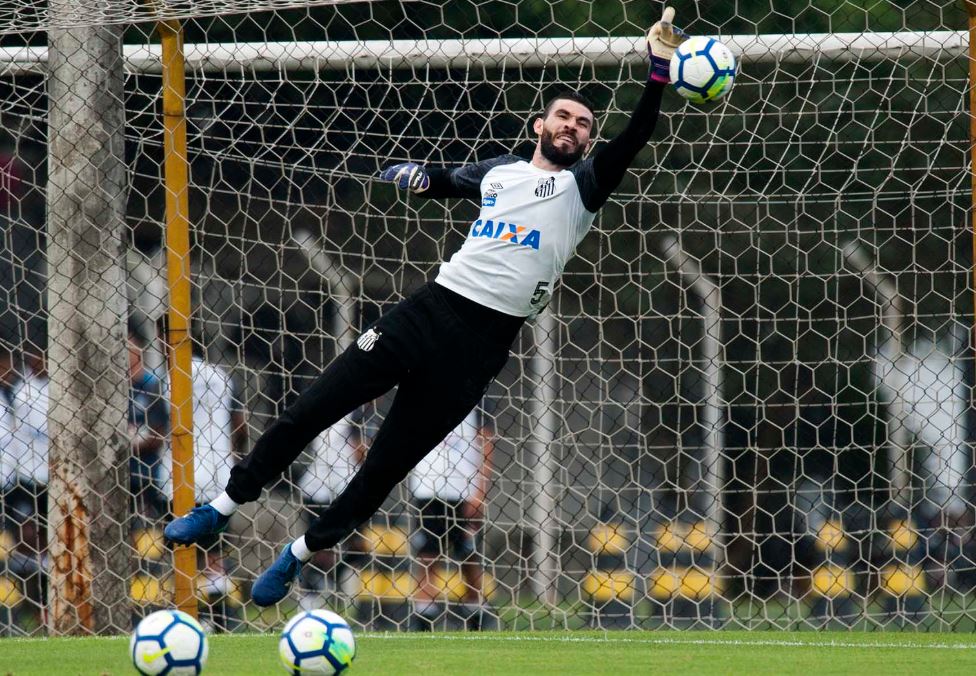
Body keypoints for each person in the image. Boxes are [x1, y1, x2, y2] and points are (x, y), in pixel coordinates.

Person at [165, 7, 686, 606]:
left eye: (584, 124)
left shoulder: (585, 186)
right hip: (427, 313)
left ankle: (298, 556)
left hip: (479, 348)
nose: (573, 127)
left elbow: (637, 134)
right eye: (563, 116)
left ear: (589, 140)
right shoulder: (500, 172)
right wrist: (416, 175)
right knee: (313, 407)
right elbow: (447, 180)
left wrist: (659, 68)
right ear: (539, 125)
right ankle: (224, 507)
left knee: (383, 469)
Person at [410, 406, 495, 630]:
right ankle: (423, 623)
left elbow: (486, 443)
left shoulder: (477, 394)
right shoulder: (422, 389)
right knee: (427, 558)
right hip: (427, 490)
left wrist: (480, 493)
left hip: (464, 492)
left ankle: (476, 619)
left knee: (469, 559)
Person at [128, 326, 170, 519]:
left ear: (140, 350)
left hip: (149, 473)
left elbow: (158, 435)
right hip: (119, 473)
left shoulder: (153, 385)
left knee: (148, 531)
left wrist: (128, 443)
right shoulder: (113, 387)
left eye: (129, 349)